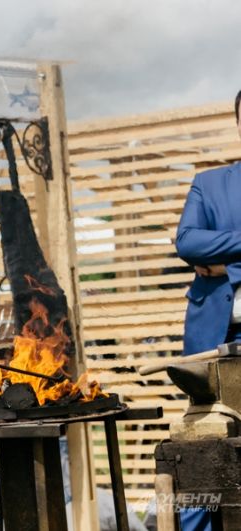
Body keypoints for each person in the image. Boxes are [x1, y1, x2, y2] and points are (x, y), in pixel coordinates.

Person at [174, 89, 241, 531]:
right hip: (213, 347)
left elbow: (207, 247)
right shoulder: (211, 183)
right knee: (201, 456)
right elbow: (187, 242)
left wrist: (223, 261)